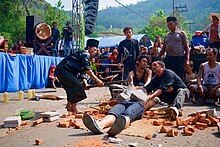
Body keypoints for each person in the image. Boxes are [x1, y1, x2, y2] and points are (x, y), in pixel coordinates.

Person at [55, 39, 104, 113]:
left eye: (96, 50)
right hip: (63, 70)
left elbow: (83, 72)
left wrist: (85, 83)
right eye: (93, 50)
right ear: (88, 48)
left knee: (70, 88)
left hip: (63, 72)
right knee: (77, 86)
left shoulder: (86, 56)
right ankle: (74, 108)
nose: (94, 52)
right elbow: (88, 70)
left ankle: (68, 106)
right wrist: (98, 80)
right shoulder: (85, 54)